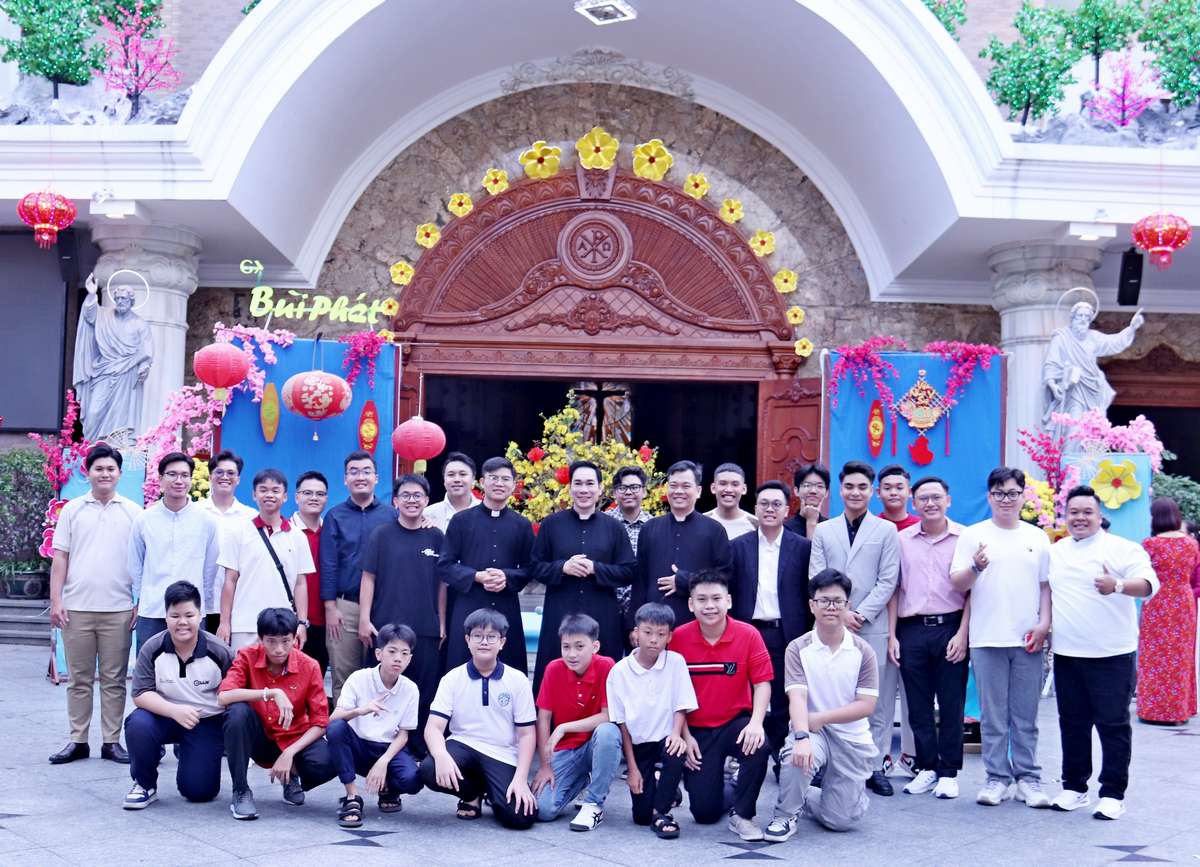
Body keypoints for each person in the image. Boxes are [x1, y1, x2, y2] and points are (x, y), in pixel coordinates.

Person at [1047, 485, 1159, 820]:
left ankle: (1112, 793)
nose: (1080, 518)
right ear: (1065, 515)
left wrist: (1118, 585)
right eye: (1073, 512)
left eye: (1087, 512)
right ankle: (1074, 787)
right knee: (1072, 723)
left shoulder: (1122, 549)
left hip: (1112, 654)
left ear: (1099, 516)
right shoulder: (1057, 551)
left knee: (1112, 725)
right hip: (1068, 653)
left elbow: (1150, 585)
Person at [950, 467, 1052, 809]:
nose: (1005, 499)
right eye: (998, 493)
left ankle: (1028, 778)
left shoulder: (1037, 537)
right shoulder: (973, 535)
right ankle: (997, 778)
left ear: (1023, 496)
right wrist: (976, 567)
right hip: (986, 638)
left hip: (1027, 639)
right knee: (993, 716)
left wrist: (1044, 624)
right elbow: (958, 584)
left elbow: (1045, 586)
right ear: (989, 497)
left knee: (1025, 715)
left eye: (1012, 493)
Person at [763, 569, 879, 842]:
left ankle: (813, 797)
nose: (831, 607)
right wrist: (802, 735)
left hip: (850, 737)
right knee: (797, 754)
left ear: (848, 605)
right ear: (812, 605)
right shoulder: (797, 648)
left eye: (838, 601)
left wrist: (822, 717)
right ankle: (785, 814)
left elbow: (866, 705)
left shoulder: (863, 651)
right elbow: (797, 697)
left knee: (840, 820)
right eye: (824, 600)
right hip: (812, 731)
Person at [48, 443, 143, 765]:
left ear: (119, 473)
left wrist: (138, 601)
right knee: (79, 680)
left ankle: (111, 742)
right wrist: (57, 600)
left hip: (118, 610)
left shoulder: (133, 512)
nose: (104, 474)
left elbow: (141, 561)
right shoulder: (72, 510)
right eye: (98, 468)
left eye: (110, 469)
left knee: (115, 681)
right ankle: (78, 740)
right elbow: (60, 557)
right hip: (76, 609)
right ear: (87, 473)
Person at [808, 461, 899, 797]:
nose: (855, 492)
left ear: (872, 491)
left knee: (876, 699)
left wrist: (859, 613)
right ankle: (827, 763)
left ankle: (873, 766)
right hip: (830, 625)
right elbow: (816, 576)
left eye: (862, 487)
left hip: (871, 625)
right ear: (840, 490)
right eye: (849, 486)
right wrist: (841, 612)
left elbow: (888, 580)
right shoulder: (824, 530)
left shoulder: (886, 531)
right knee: (829, 695)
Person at [673, 570, 773, 842]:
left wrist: (756, 723)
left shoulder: (748, 634)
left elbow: (762, 683)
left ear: (728, 601)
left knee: (758, 744)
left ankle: (743, 815)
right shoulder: (679, 638)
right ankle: (731, 784)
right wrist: (685, 736)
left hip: (734, 723)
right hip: (697, 731)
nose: (710, 605)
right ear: (691, 604)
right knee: (704, 813)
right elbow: (673, 694)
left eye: (716, 598)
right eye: (702, 599)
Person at [887, 477, 969, 800]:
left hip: (951, 626)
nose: (930, 503)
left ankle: (948, 771)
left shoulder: (965, 538)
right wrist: (893, 635)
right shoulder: (902, 540)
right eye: (923, 498)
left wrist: (963, 633)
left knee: (951, 702)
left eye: (936, 497)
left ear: (948, 500)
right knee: (917, 705)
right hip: (911, 629)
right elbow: (895, 589)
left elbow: (973, 591)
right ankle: (927, 766)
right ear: (914, 502)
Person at [420, 608, 537, 829]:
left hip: (502, 752)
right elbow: (433, 727)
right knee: (429, 769)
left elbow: (527, 734)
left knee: (521, 816)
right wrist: (440, 754)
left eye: (491, 637)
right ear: (467, 640)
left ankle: (492, 791)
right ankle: (471, 793)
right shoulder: (452, 678)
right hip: (463, 744)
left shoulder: (517, 680)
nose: (484, 642)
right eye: (478, 636)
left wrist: (521, 778)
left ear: (502, 642)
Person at [122, 581, 233, 809]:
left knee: (199, 791)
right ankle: (144, 785)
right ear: (166, 617)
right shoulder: (152, 648)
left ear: (200, 616)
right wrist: (174, 711)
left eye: (189, 615)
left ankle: (192, 753)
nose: (182, 622)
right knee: (138, 723)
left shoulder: (219, 651)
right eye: (175, 616)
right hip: (165, 716)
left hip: (204, 721)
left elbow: (234, 692)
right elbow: (140, 693)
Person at [219, 607, 336, 820]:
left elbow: (320, 722)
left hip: (294, 738)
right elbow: (224, 696)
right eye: (271, 641)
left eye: (285, 641)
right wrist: (270, 693)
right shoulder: (247, 656)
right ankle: (240, 790)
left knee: (330, 760)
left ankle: (291, 776)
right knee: (237, 712)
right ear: (260, 639)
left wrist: (289, 753)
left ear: (295, 638)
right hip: (259, 738)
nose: (279, 649)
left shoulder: (309, 666)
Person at [359, 474, 446, 754]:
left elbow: (442, 584)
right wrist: (364, 618)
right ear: (395, 501)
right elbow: (368, 578)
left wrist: (442, 621)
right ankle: (379, 747)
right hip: (386, 627)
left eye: (417, 495)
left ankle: (417, 750)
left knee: (423, 691)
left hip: (426, 627)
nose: (412, 500)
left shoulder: (436, 536)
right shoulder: (381, 535)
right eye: (406, 495)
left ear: (426, 500)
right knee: (384, 690)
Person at [531, 460, 635, 691]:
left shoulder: (614, 528)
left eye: (590, 483)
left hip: (602, 615)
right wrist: (562, 568)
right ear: (569, 488)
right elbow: (535, 567)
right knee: (555, 679)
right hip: (560, 613)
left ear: (600, 489)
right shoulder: (551, 525)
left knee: (604, 683)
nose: (584, 489)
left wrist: (596, 568)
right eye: (578, 483)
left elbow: (629, 571)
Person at [730, 480, 812, 759]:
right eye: (764, 503)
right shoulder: (737, 547)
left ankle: (778, 756)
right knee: (743, 695)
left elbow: (807, 592)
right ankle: (744, 756)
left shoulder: (802, 547)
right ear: (755, 508)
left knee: (781, 698)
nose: (769, 509)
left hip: (784, 633)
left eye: (776, 504)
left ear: (787, 510)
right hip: (747, 632)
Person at [607, 602, 697, 838]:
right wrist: (632, 768)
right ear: (636, 633)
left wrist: (676, 734)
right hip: (639, 744)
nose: (654, 640)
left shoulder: (675, 662)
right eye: (647, 632)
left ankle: (662, 813)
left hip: (666, 738)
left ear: (669, 637)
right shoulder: (619, 671)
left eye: (661, 634)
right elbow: (622, 724)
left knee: (676, 750)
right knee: (640, 817)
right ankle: (667, 792)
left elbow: (681, 704)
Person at [438, 457, 534, 674]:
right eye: (493, 478)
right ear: (482, 482)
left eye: (505, 479)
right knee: (461, 671)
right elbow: (445, 565)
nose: (499, 483)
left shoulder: (521, 525)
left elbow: (531, 568)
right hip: (468, 605)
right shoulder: (461, 521)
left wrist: (507, 577)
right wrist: (476, 576)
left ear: (514, 485)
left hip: (506, 606)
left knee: (509, 670)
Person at [328, 623, 424, 827]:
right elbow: (334, 719)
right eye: (392, 651)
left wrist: (384, 761)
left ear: (410, 658)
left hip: (388, 748)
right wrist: (360, 711)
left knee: (414, 780)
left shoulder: (410, 689)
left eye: (404, 653)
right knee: (337, 729)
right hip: (359, 745)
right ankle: (352, 797)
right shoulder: (359, 678)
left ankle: (388, 788)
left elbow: (404, 735)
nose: (398, 658)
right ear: (379, 654)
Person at [320, 451, 397, 704]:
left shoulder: (391, 516)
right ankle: (343, 724)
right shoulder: (335, 516)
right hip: (346, 608)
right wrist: (330, 607)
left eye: (366, 471)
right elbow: (328, 564)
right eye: (354, 472)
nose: (360, 477)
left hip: (383, 606)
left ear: (376, 477)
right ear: (345, 479)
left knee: (383, 675)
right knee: (344, 677)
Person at [532, 613, 620, 830]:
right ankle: (581, 781)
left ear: (595, 646)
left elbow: (608, 715)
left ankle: (593, 803)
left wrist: (563, 727)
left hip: (594, 746)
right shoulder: (553, 669)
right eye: (566, 647)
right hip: (566, 750)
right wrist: (545, 766)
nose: (572, 654)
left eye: (580, 646)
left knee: (608, 732)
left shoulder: (607, 666)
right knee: (542, 810)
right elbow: (543, 718)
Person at [128, 451, 220, 650]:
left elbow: (210, 568)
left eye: (184, 475)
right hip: (153, 610)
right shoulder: (144, 520)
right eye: (172, 474)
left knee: (192, 665)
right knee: (150, 664)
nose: (179, 480)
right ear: (161, 479)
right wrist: (140, 599)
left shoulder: (206, 521)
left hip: (192, 613)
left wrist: (202, 602)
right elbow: (135, 565)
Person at [216, 468, 314, 652]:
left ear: (285, 496)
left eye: (275, 490)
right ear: (254, 495)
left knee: (281, 671)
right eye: (263, 490)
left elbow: (301, 584)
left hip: (283, 627)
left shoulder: (298, 536)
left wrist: (301, 623)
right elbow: (230, 580)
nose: (269, 495)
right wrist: (224, 622)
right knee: (243, 670)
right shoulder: (238, 532)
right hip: (245, 625)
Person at [632, 460, 732, 628]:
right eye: (673, 485)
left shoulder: (714, 530)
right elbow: (639, 580)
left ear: (698, 491)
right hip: (654, 627)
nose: (679, 491)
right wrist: (634, 625)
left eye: (686, 486)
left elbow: (724, 577)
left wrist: (686, 580)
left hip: (698, 624)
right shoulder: (650, 528)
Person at [1041, 301, 1143, 442]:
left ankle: (1087, 454)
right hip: (1073, 389)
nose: (1083, 319)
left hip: (1093, 388)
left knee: (1091, 430)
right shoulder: (1061, 338)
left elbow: (1113, 342)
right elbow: (1051, 362)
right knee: (1074, 427)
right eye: (1080, 315)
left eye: (1086, 317)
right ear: (1073, 317)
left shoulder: (1094, 337)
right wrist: (1053, 385)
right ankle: (1070, 454)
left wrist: (1131, 328)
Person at [72, 272, 154, 442]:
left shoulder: (140, 324)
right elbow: (89, 316)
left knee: (120, 413)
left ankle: (116, 445)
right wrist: (91, 294)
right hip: (104, 370)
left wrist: (144, 366)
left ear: (131, 301)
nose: (121, 301)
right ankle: (91, 444)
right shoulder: (105, 316)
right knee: (94, 411)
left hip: (127, 373)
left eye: (124, 298)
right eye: (118, 298)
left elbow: (146, 350)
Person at [1137, 497, 1198, 724]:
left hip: (1157, 601)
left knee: (1154, 656)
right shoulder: (1191, 544)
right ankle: (1179, 711)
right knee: (1182, 655)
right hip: (1183, 601)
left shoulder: (1150, 544)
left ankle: (1153, 710)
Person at [293, 471, 330, 688]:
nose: (314, 498)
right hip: (293, 622)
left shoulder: (331, 531)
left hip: (326, 622)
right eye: (307, 493)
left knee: (315, 684)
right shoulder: (285, 530)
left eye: (320, 494)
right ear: (296, 496)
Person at [611, 464, 653, 642]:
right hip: (608, 608)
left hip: (643, 611)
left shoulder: (654, 526)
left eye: (634, 487)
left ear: (644, 491)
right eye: (622, 488)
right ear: (614, 493)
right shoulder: (604, 524)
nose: (628, 492)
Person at [423, 452, 479, 532]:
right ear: (444, 481)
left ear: (473, 479)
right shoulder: (428, 514)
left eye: (462, 474)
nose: (457, 479)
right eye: (451, 475)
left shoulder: (487, 512)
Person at [704, 463, 757, 539]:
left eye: (735, 484)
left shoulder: (756, 525)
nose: (729, 490)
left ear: (744, 489)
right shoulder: (701, 521)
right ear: (713, 488)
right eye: (723, 484)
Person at [785, 463, 830, 539]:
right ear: (796, 491)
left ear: (826, 493)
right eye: (807, 485)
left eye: (819, 486)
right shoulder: (785, 529)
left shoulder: (831, 528)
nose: (813, 491)